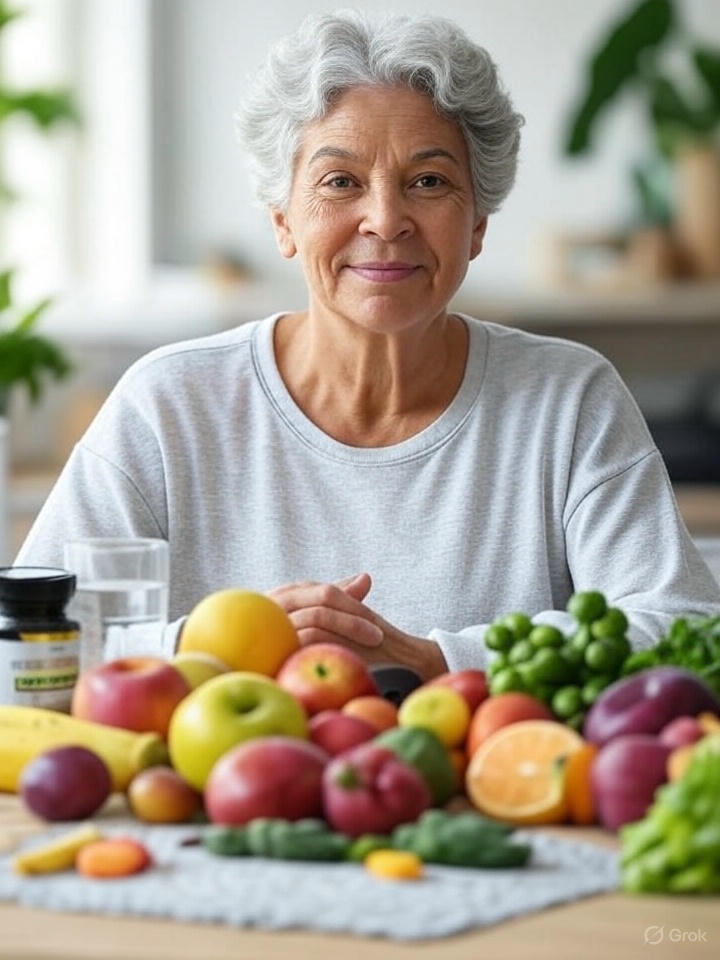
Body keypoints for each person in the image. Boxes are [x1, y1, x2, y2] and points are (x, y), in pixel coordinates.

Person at [16, 11, 720, 678]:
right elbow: (24, 636)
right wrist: (222, 643)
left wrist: (438, 661)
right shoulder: (168, 403)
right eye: (340, 181)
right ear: (284, 221)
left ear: (477, 223)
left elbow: (682, 625)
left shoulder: (568, 399)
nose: (385, 220)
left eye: (428, 181)